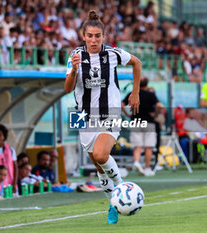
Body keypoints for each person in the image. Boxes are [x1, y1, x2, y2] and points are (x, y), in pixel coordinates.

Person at [64, 10, 141, 224]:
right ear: (83, 36)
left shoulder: (113, 54)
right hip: (83, 116)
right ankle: (113, 205)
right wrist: (73, 71)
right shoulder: (75, 56)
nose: (94, 40)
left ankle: (121, 186)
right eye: (90, 36)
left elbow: (137, 63)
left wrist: (135, 92)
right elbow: (67, 89)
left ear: (103, 37)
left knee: (100, 154)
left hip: (110, 113)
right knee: (99, 167)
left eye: (98, 36)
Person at [122, 77, 161, 176]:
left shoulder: (133, 94)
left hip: (136, 121)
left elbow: (121, 104)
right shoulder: (151, 94)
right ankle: (147, 168)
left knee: (137, 146)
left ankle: (136, 162)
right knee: (149, 147)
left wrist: (128, 115)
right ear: (147, 84)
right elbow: (159, 105)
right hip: (148, 122)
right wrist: (155, 115)